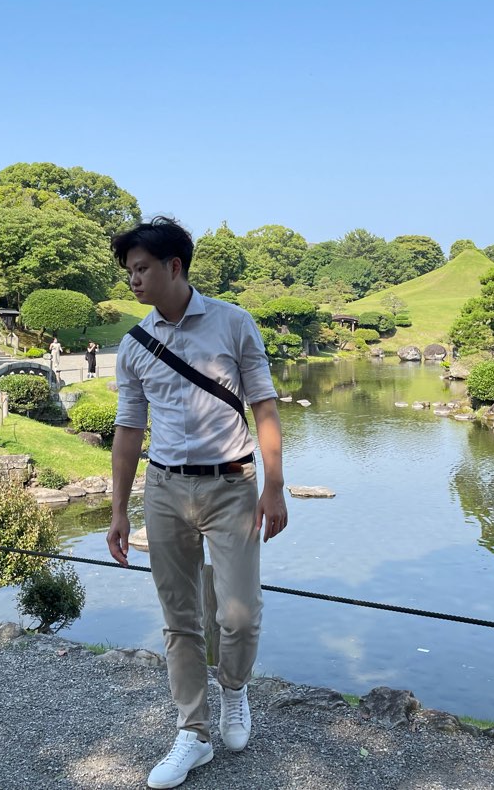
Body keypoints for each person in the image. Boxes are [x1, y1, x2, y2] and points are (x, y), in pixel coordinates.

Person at [106, 216, 287, 789]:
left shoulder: (233, 323)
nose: (134, 280)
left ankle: (233, 690)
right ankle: (193, 731)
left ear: (174, 266)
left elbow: (263, 405)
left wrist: (275, 486)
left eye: (141, 269)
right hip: (164, 490)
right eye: (129, 271)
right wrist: (118, 509)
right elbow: (128, 430)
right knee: (179, 619)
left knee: (238, 615)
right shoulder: (134, 345)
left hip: (232, 486)